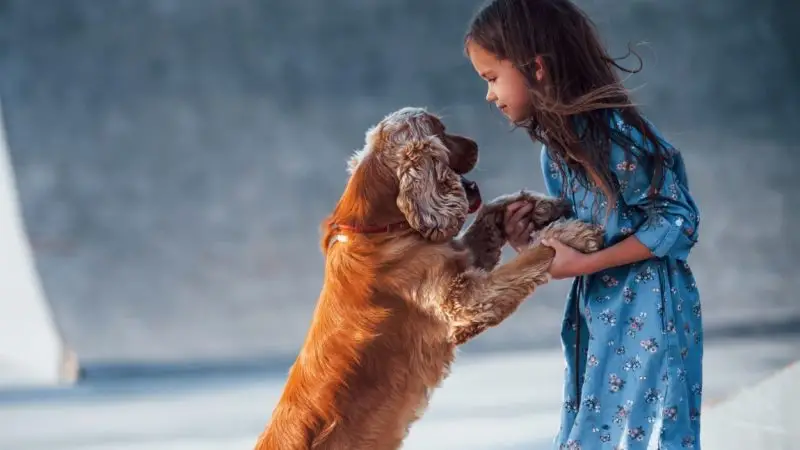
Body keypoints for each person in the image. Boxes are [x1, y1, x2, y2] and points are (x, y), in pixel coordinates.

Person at [464, 0, 703, 448]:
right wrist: (531, 246)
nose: (489, 95)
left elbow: (679, 221)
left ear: (536, 68)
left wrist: (583, 267)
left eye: (492, 78)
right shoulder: (555, 154)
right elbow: (588, 240)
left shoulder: (617, 138)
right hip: (600, 316)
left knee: (644, 436)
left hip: (652, 314)